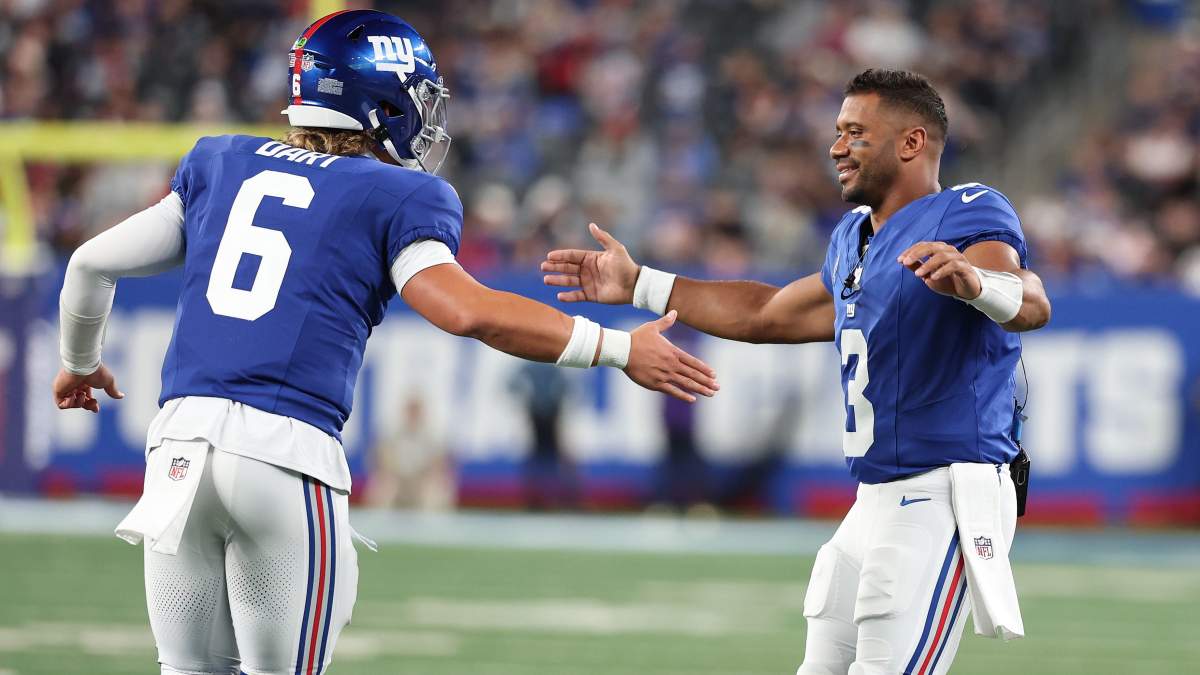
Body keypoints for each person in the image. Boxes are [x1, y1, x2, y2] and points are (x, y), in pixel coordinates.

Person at [51, 10, 718, 675]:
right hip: (284, 453)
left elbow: (89, 264)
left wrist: (80, 363)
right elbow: (466, 311)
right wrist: (619, 348)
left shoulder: (220, 160)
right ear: (382, 102)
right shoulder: (395, 193)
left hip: (178, 448)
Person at [541, 68, 1051, 675]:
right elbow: (766, 313)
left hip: (944, 490)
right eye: (838, 131)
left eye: (856, 132)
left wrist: (977, 283)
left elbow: (1030, 299)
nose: (836, 147)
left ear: (911, 143)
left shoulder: (965, 212)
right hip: (875, 497)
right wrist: (639, 284)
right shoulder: (854, 238)